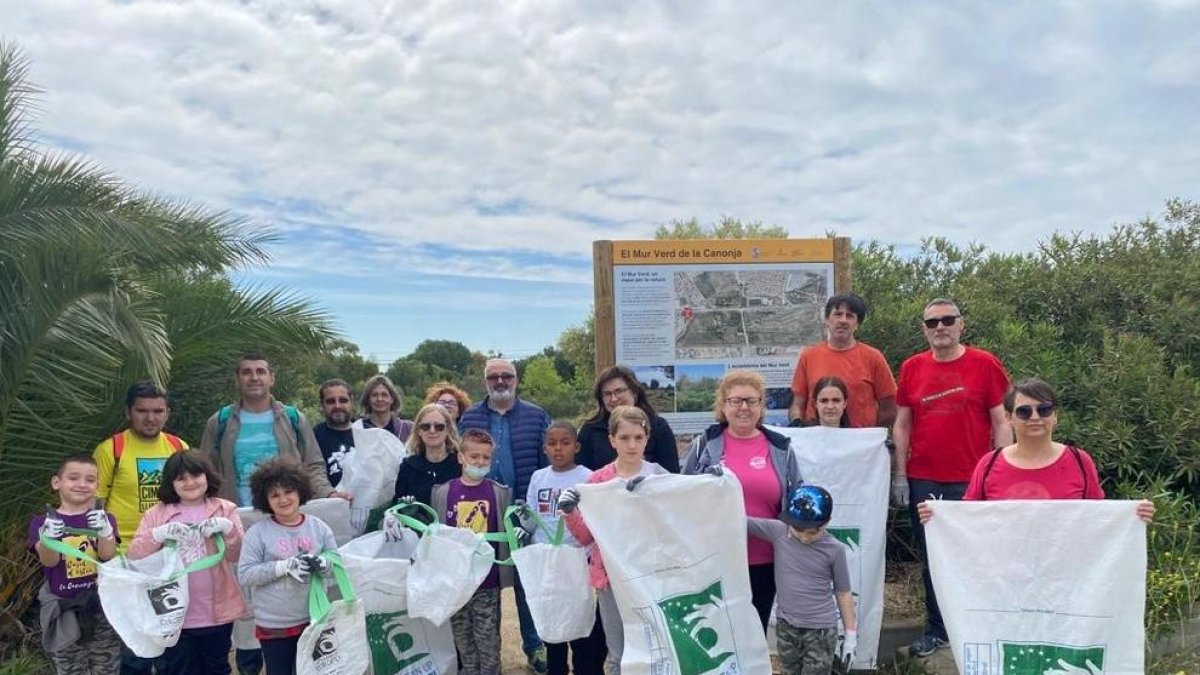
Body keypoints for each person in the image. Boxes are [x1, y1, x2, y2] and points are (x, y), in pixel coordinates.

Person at [891, 299, 1012, 657]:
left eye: (947, 320)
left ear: (961, 324)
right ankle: (937, 629)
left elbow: (1001, 421)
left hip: (972, 478)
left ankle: (980, 627)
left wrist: (1000, 472)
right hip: (923, 479)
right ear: (924, 329)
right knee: (932, 559)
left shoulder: (985, 364)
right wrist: (900, 475)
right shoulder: (912, 368)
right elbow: (902, 423)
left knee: (978, 556)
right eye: (932, 322)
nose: (940, 327)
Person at [917, 378, 1156, 517]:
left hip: (1065, 577)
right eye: (1024, 411)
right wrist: (939, 518)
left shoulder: (1079, 461)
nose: (1034, 417)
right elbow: (968, 522)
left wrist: (1132, 515)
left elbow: (1098, 518)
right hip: (1004, 578)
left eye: (1044, 410)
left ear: (1055, 417)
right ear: (1009, 418)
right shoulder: (989, 464)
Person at [681, 369, 804, 632]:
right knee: (719, 634)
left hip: (765, 559)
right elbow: (681, 493)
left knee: (755, 633)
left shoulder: (780, 447)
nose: (743, 407)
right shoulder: (706, 444)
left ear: (761, 406)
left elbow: (797, 496)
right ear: (723, 406)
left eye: (751, 400)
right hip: (716, 559)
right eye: (735, 401)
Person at [559, 406, 669, 675]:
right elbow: (586, 536)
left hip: (650, 575)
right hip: (611, 578)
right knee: (618, 651)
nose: (632, 445)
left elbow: (673, 524)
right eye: (624, 438)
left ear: (647, 438)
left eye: (638, 438)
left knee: (656, 645)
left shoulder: (660, 476)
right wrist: (570, 512)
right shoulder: (597, 482)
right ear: (612, 440)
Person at [458, 357, 550, 673]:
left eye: (506, 376)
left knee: (528, 582)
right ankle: (486, 653)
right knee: (484, 586)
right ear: (485, 381)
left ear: (516, 379)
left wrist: (533, 509)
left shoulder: (537, 416)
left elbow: (545, 462)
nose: (500, 381)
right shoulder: (470, 416)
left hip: (522, 512)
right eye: (494, 376)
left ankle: (535, 646)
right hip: (481, 514)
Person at [127, 451, 246, 675]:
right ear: (171, 483)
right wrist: (157, 535)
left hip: (216, 614)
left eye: (195, 475)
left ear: (207, 476)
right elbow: (135, 556)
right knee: (178, 669)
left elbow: (238, 554)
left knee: (217, 668)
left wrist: (228, 530)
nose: (190, 482)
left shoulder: (225, 509)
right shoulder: (157, 513)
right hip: (173, 617)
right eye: (181, 478)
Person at [198, 352, 345, 508]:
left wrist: (329, 494)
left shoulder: (293, 419)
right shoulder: (220, 421)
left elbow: (313, 466)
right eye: (246, 372)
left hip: (286, 516)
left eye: (260, 371)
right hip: (236, 517)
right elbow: (205, 472)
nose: (254, 378)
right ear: (237, 380)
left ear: (272, 378)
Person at [237, 459, 337, 675]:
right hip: (274, 624)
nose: (283, 499)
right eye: (275, 495)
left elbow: (337, 565)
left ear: (300, 491)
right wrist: (282, 567)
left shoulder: (319, 528)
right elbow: (245, 574)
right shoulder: (258, 533)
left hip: (314, 618)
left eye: (288, 491)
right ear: (265, 500)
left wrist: (324, 563)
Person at [521, 422, 606, 675]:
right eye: (552, 443)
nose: (558, 449)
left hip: (579, 562)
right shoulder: (538, 477)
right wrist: (522, 524)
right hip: (547, 564)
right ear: (545, 448)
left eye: (565, 443)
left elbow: (593, 520)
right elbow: (531, 516)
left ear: (576, 446)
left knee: (581, 628)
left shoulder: (587, 477)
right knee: (552, 626)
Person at [430, 429, 516, 675]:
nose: (479, 462)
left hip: (486, 583)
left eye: (485, 458)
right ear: (461, 457)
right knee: (463, 642)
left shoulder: (499, 492)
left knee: (487, 642)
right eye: (474, 456)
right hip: (455, 582)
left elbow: (506, 530)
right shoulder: (443, 492)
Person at [747, 484, 857, 675]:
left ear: (826, 523)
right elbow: (741, 522)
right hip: (786, 626)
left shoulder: (835, 550)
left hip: (820, 630)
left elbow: (843, 592)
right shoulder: (779, 532)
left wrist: (850, 635)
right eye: (798, 529)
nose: (804, 536)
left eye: (812, 532)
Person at [28, 455, 122, 675]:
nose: (82, 484)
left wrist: (105, 532)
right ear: (56, 482)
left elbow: (107, 555)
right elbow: (48, 561)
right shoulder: (41, 522)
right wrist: (49, 539)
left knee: (107, 667)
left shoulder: (105, 518)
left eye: (90, 480)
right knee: (70, 668)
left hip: (101, 607)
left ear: (97, 486)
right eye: (73, 478)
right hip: (64, 610)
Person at [93, 381, 188, 549]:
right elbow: (94, 504)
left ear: (167, 413)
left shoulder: (180, 447)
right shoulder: (110, 450)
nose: (150, 418)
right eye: (142, 411)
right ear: (128, 413)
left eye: (158, 411)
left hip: (171, 548)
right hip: (122, 551)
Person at [789, 292, 897, 428]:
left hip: (859, 443)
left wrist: (871, 436)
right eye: (838, 314)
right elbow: (797, 404)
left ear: (857, 324)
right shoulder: (809, 356)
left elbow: (889, 408)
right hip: (817, 442)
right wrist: (797, 424)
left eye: (850, 316)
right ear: (827, 320)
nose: (843, 320)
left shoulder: (873, 357)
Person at [577, 365, 679, 473]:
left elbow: (671, 476)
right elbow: (580, 474)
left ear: (634, 392)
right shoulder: (591, 430)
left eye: (619, 391)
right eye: (607, 394)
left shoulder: (658, 426)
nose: (614, 398)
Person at [392, 403, 462, 523]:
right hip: (417, 535)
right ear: (419, 430)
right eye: (426, 426)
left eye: (439, 426)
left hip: (454, 534)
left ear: (448, 430)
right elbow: (396, 506)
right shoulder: (408, 466)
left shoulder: (460, 465)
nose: (432, 430)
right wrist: (404, 506)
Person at [311, 378, 356, 488]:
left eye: (343, 400)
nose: (337, 406)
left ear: (352, 402)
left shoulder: (367, 434)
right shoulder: (313, 437)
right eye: (331, 401)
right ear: (322, 405)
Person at [359, 374, 414, 442]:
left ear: (392, 399)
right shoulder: (358, 429)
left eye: (384, 395)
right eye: (374, 395)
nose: (379, 399)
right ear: (368, 399)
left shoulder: (407, 429)